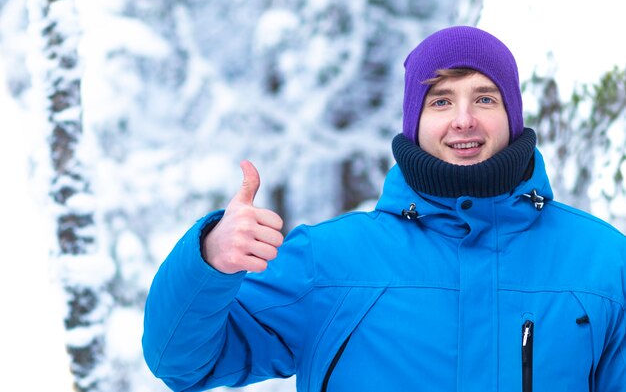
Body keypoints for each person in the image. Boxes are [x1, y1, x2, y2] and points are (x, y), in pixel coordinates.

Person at [142, 26, 626, 392]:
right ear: (414, 121)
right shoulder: (327, 261)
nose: (464, 119)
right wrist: (209, 260)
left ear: (512, 115)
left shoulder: (602, 262)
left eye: (484, 97)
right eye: (440, 101)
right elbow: (183, 361)